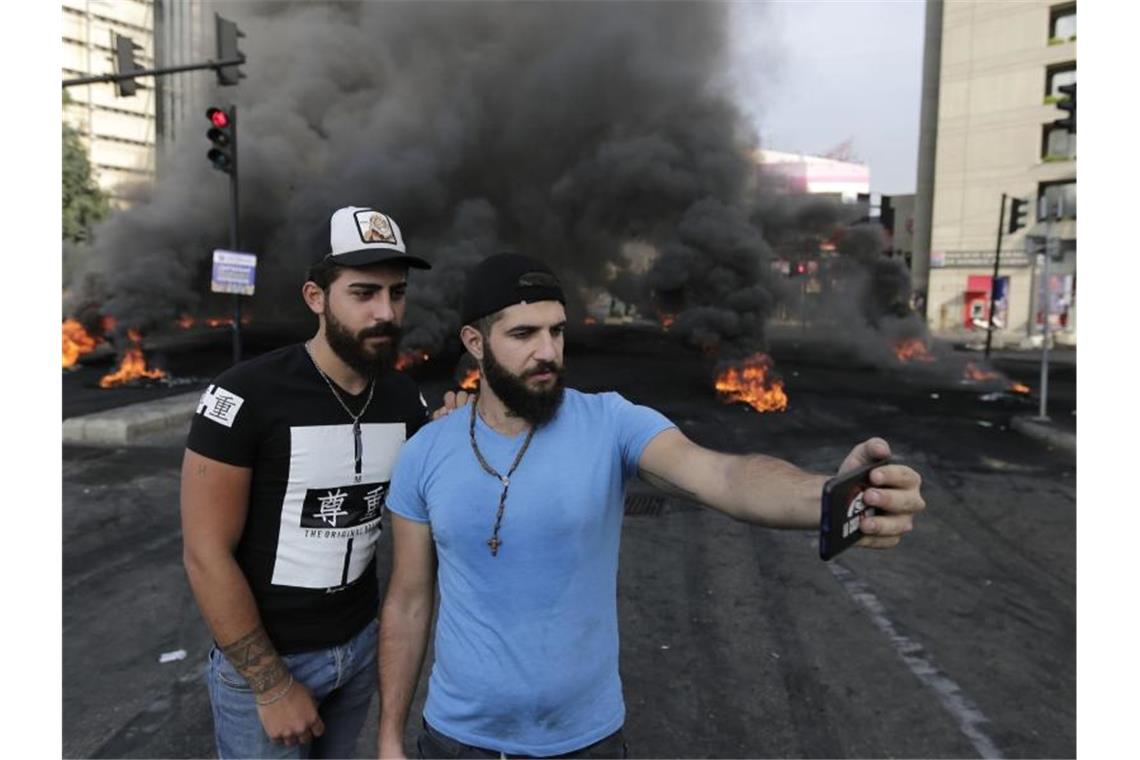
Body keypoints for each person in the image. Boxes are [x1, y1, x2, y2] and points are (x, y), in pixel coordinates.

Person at [377, 253, 927, 759]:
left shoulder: (611, 423)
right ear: (475, 342)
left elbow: (723, 475)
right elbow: (407, 602)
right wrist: (387, 737)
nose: (547, 351)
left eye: (556, 331)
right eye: (523, 333)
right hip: (457, 743)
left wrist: (832, 496)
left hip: (584, 743)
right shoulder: (426, 452)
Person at [181, 205, 438, 759]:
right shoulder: (244, 396)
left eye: (397, 293)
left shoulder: (405, 400)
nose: (386, 312)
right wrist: (271, 685)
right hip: (269, 666)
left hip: (361, 651)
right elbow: (205, 554)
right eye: (364, 293)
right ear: (316, 297)